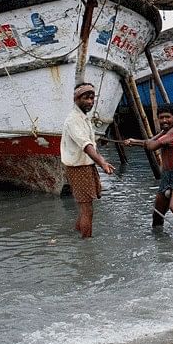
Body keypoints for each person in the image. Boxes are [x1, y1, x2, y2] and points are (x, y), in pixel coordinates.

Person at [125, 103, 173, 238]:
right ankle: (159, 242)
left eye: (167, 117)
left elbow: (152, 146)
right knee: (157, 215)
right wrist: (133, 141)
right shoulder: (165, 132)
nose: (164, 121)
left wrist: (140, 142)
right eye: (161, 118)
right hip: (166, 178)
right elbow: (150, 141)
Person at [61, 82, 115, 239]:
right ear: (76, 98)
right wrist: (102, 162)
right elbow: (86, 145)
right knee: (87, 209)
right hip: (79, 168)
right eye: (86, 98)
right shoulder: (73, 120)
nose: (90, 101)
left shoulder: (83, 118)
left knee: (86, 206)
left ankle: (77, 234)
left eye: (92, 98)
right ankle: (86, 244)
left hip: (86, 166)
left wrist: (100, 161)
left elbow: (90, 143)